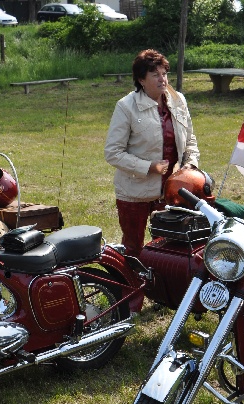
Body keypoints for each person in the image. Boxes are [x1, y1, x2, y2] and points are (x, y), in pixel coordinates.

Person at [104, 49, 200, 256]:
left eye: (164, 73)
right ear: (141, 80)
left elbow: (190, 138)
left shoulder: (178, 100)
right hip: (134, 193)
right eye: (155, 75)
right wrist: (148, 167)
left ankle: (159, 287)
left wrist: (190, 165)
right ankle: (129, 288)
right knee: (133, 248)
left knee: (168, 247)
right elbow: (113, 152)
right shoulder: (125, 106)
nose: (162, 79)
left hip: (172, 190)